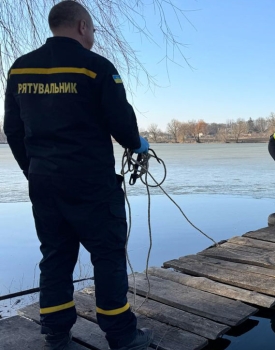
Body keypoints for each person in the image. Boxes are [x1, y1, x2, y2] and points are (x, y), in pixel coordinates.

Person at [3, 1, 153, 349]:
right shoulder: (96, 67)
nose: (94, 36)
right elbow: (122, 125)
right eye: (94, 30)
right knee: (108, 255)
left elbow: (12, 130)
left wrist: (34, 169)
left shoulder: (20, 69)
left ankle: (55, 335)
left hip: (44, 183)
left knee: (55, 256)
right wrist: (138, 144)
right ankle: (122, 336)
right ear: (83, 26)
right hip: (92, 184)